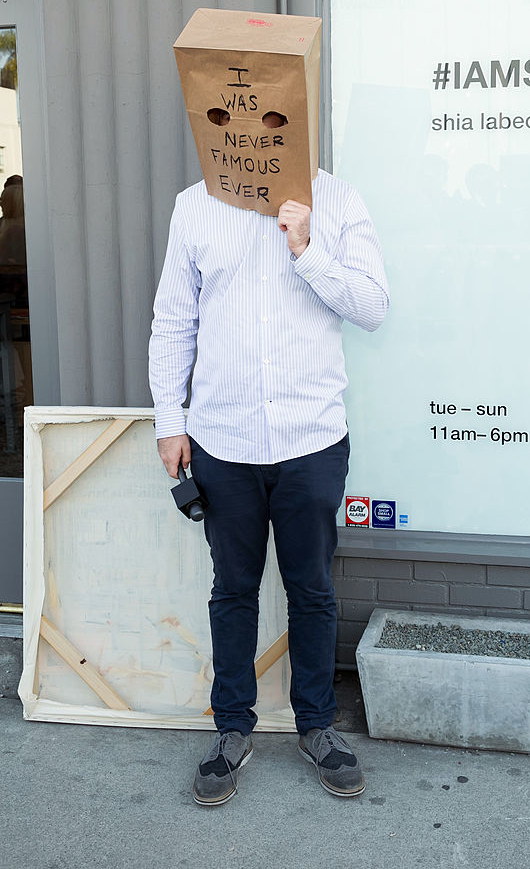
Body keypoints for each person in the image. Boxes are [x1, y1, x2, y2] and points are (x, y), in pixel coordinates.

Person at [148, 168, 389, 806]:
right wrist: (170, 422)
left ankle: (316, 726)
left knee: (311, 587)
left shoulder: (338, 198)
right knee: (233, 589)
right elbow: (175, 319)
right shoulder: (195, 204)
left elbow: (373, 306)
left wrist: (308, 249)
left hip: (310, 438)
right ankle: (233, 729)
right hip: (223, 442)